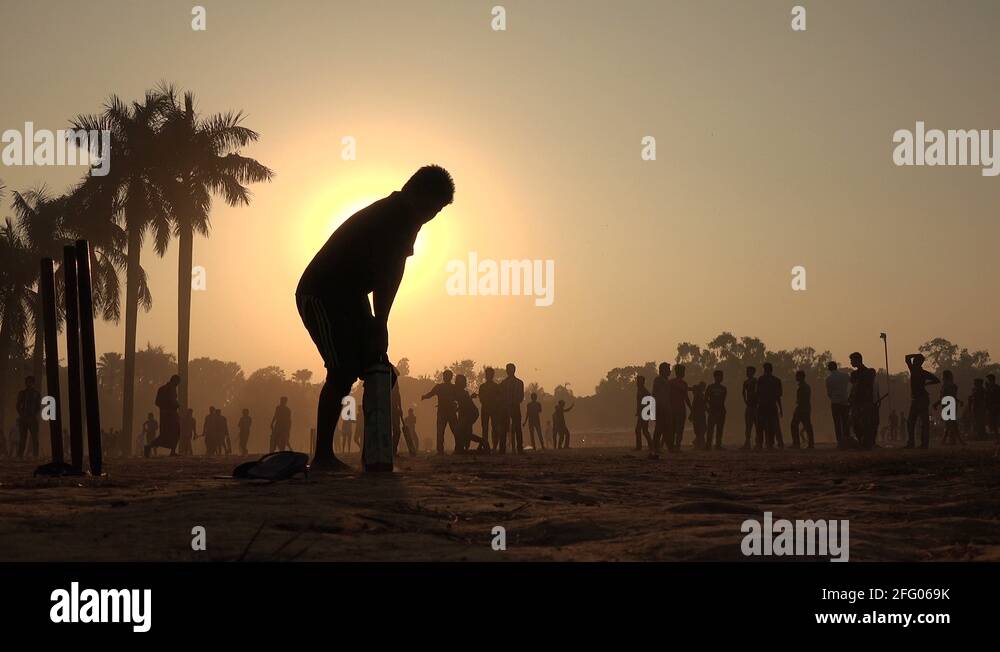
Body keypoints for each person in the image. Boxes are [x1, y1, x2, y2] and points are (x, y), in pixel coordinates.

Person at [296, 166, 454, 471]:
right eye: (432, 208)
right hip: (322, 293)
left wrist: (378, 327)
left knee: (378, 367)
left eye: (437, 211)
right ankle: (323, 456)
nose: (432, 216)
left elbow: (393, 272)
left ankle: (376, 452)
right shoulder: (393, 217)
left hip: (351, 296)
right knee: (341, 370)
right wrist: (380, 323)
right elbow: (386, 275)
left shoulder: (408, 217)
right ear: (416, 194)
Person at [904, 353, 939, 449]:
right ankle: (922, 443)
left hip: (920, 399)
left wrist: (915, 355)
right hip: (918, 399)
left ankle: (915, 443)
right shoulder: (922, 373)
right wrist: (927, 384)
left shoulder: (914, 370)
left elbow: (907, 357)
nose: (914, 362)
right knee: (919, 422)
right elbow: (936, 380)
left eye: (916, 360)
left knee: (916, 422)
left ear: (919, 362)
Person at [422, 370, 460, 454]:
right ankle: (455, 448)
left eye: (446, 376)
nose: (446, 377)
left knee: (443, 431)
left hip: (445, 412)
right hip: (448, 412)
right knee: (451, 431)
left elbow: (430, 394)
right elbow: (430, 394)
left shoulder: (441, 387)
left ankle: (441, 450)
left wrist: (424, 397)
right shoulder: (452, 388)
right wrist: (424, 396)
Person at [147, 374, 181, 457]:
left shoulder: (162, 389)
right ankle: (172, 451)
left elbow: (157, 402)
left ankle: (149, 446)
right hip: (171, 414)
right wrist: (174, 405)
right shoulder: (171, 389)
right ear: (175, 381)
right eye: (178, 382)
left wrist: (164, 408)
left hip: (164, 414)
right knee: (175, 431)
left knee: (165, 433)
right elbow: (172, 401)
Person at [454, 375, 486, 452]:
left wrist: (456, 409)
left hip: (470, 413)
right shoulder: (460, 392)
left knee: (462, 431)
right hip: (466, 413)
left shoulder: (463, 393)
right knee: (465, 432)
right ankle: (463, 447)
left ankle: (481, 442)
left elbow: (464, 404)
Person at [755, 363, 784, 449]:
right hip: (770, 406)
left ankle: (761, 443)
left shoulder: (761, 379)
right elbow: (778, 397)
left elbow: (757, 394)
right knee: (773, 426)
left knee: (762, 426)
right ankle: (774, 443)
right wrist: (780, 408)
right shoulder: (776, 380)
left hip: (764, 406)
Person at [933, 370, 963, 445]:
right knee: (951, 424)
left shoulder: (946, 386)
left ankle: (953, 440)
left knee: (950, 424)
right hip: (951, 404)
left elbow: (945, 396)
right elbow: (952, 396)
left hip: (947, 405)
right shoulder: (953, 385)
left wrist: (936, 403)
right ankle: (952, 440)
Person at [825, 361, 851, 449]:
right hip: (845, 401)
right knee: (845, 422)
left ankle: (840, 442)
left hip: (835, 402)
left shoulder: (829, 379)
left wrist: (834, 397)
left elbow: (829, 393)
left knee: (837, 423)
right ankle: (847, 440)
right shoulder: (845, 376)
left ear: (829, 368)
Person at [500, 363, 525, 453]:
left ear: (514, 370)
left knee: (517, 428)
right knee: (504, 428)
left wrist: (513, 402)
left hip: (514, 407)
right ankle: (503, 448)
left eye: (510, 369)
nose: (509, 371)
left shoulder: (518, 383)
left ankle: (519, 448)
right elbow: (501, 396)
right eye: (508, 369)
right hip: (507, 408)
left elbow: (521, 397)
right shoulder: (504, 383)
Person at [15, 376, 41, 459]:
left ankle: (35, 455)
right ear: (26, 383)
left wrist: (34, 414)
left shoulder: (36, 393)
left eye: (31, 382)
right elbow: (18, 405)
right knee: (23, 438)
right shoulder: (22, 393)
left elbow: (38, 406)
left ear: (33, 383)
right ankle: (20, 455)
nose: (29, 384)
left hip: (32, 418)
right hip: (24, 419)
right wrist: (22, 415)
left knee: (34, 438)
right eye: (28, 382)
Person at [392, 378, 418, 456]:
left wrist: (400, 408)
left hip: (394, 410)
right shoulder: (393, 382)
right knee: (396, 431)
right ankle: (392, 451)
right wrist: (399, 408)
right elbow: (397, 396)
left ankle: (393, 451)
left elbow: (398, 396)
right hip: (392, 410)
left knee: (396, 431)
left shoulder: (393, 382)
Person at [651, 363, 672, 458]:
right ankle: (657, 447)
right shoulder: (659, 380)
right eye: (668, 369)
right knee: (660, 428)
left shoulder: (665, 381)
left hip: (665, 407)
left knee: (664, 427)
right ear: (663, 370)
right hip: (660, 407)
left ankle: (664, 446)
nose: (669, 371)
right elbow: (655, 394)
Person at [790, 370, 814, 449]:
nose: (796, 377)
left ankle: (796, 443)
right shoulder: (805, 386)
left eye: (797, 376)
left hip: (802, 408)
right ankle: (810, 444)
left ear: (801, 377)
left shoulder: (803, 387)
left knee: (794, 425)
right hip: (805, 408)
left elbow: (802, 399)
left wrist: (798, 407)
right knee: (807, 426)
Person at [478, 367, 500, 451]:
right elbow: (481, 399)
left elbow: (498, 399)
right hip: (486, 409)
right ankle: (485, 445)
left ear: (492, 375)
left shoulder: (495, 387)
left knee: (494, 428)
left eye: (490, 374)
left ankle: (494, 446)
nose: (488, 376)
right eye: (487, 374)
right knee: (485, 428)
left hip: (493, 409)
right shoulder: (483, 387)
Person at [705, 370, 727, 450]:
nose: (720, 378)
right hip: (713, 410)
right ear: (715, 377)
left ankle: (718, 445)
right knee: (710, 429)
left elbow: (723, 400)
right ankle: (708, 445)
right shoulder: (710, 387)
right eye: (718, 376)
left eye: (721, 376)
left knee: (719, 429)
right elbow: (706, 399)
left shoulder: (724, 388)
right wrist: (708, 408)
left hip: (721, 411)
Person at [741, 366, 759, 450]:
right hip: (749, 406)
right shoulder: (746, 382)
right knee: (748, 425)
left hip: (755, 406)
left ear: (753, 372)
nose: (747, 372)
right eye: (747, 371)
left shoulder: (755, 381)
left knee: (757, 425)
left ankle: (757, 443)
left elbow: (757, 392)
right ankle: (747, 443)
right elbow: (743, 392)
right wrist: (745, 401)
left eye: (749, 371)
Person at [634, 375, 652, 450]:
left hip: (644, 413)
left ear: (642, 382)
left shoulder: (643, 391)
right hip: (643, 412)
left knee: (639, 430)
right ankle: (651, 445)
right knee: (644, 430)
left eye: (639, 381)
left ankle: (640, 447)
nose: (637, 383)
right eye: (637, 381)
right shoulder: (641, 390)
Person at [689, 381, 707, 449]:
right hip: (698, 414)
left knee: (702, 429)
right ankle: (699, 443)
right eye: (703, 387)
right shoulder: (698, 395)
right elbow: (694, 405)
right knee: (700, 429)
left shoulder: (701, 394)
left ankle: (698, 442)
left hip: (701, 414)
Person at [985, 374, 1000, 441]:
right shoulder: (989, 388)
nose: (988, 381)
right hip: (990, 407)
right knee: (992, 423)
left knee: (995, 422)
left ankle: (997, 437)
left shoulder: (996, 387)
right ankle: (996, 437)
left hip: (995, 407)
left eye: (989, 379)